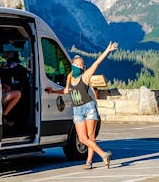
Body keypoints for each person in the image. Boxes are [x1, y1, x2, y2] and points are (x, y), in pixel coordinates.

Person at [46, 41, 118, 170]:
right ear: (73, 64)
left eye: (82, 65)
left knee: (90, 136)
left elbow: (97, 63)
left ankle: (89, 161)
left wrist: (108, 50)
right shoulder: (69, 77)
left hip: (89, 107)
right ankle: (104, 154)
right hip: (77, 110)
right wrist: (54, 91)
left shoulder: (85, 76)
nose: (80, 66)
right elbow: (67, 91)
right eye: (78, 64)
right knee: (82, 138)